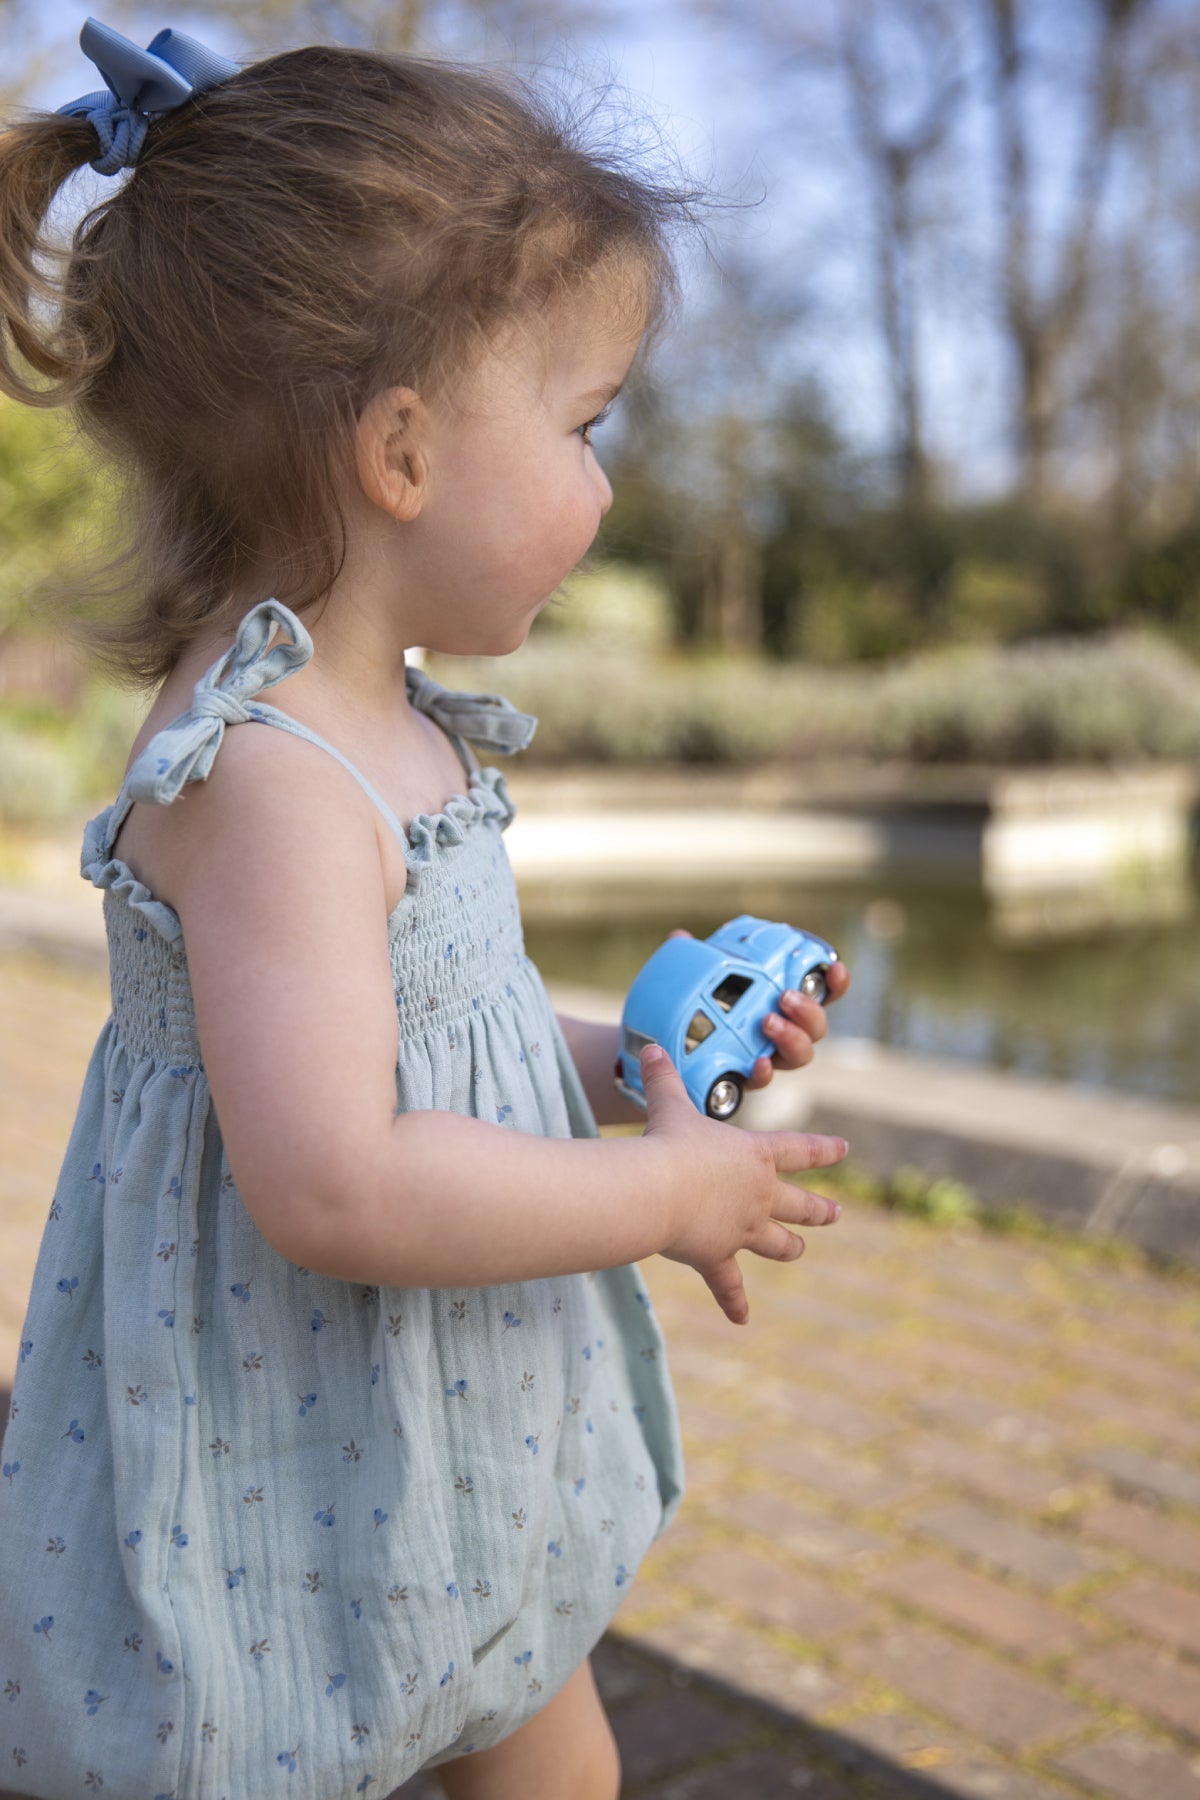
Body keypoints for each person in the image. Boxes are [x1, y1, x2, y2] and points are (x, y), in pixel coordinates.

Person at [0, 21, 850, 1800]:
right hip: (289, 1482)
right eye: (584, 425)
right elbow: (335, 1178)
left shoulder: (377, 717)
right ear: (400, 449)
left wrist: (626, 1061)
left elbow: (414, 1030)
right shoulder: (272, 777)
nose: (608, 489)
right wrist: (661, 1191)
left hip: (438, 1447)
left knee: (554, 1756)